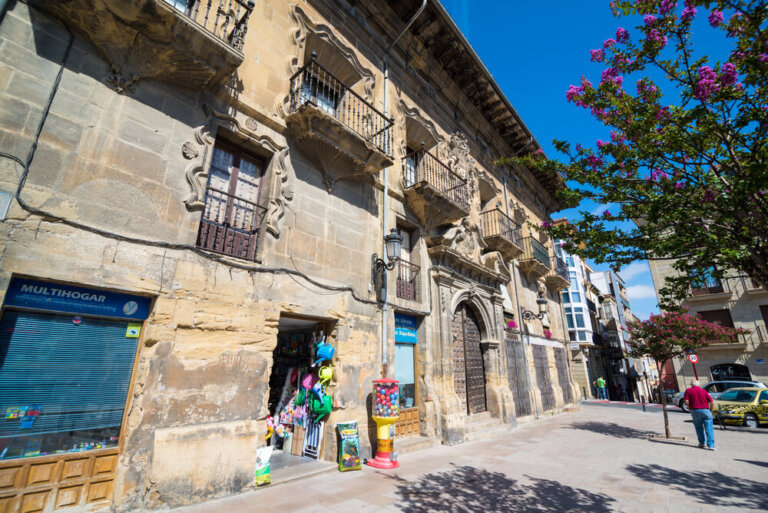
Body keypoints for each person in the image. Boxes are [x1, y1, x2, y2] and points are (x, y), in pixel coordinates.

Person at [683, 380, 716, 450]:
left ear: (691, 385)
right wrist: (711, 410)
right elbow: (712, 402)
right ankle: (711, 445)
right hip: (705, 410)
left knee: (698, 427)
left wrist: (689, 407)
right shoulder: (704, 391)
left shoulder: (688, 391)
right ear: (699, 385)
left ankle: (702, 443)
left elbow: (686, 401)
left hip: (694, 410)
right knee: (709, 428)